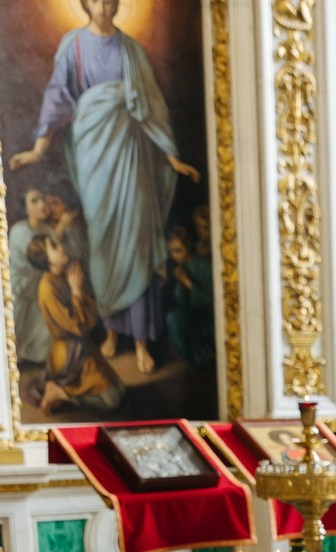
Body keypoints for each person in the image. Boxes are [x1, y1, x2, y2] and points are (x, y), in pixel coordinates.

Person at [10, 0, 201, 377]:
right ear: (84, 3)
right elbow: (57, 97)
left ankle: (142, 340)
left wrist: (171, 156)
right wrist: (39, 148)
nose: (104, 4)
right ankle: (112, 331)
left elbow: (152, 106)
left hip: (132, 154)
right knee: (104, 244)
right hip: (94, 154)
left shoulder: (131, 50)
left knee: (136, 240)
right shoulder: (74, 45)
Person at [26, 230, 124, 416]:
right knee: (112, 400)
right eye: (54, 247)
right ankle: (60, 392)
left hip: (82, 347)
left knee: (120, 390)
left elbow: (92, 317)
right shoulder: (47, 288)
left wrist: (78, 289)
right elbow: (78, 327)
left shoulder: (65, 275)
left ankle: (65, 391)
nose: (61, 246)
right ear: (46, 260)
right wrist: (76, 291)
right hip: (68, 354)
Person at [8, 188, 52, 365]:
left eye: (43, 198)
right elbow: (42, 258)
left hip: (40, 291)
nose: (42, 204)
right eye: (34, 201)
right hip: (23, 292)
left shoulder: (48, 229)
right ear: (26, 209)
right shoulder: (19, 231)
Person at [162, 226, 215, 368]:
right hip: (196, 316)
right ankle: (192, 361)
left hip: (210, 320)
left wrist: (186, 281)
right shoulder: (183, 267)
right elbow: (181, 301)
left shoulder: (204, 265)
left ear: (189, 246)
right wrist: (181, 284)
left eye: (178, 251)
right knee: (173, 318)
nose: (174, 256)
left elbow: (209, 299)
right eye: (171, 252)